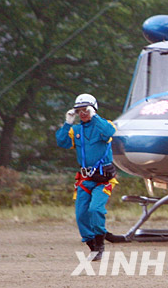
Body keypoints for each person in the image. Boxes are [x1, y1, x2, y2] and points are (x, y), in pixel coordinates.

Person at [55, 93, 118, 261]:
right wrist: (68, 122)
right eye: (79, 110)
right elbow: (62, 142)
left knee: (95, 209)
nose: (83, 113)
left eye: (86, 109)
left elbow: (110, 131)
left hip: (103, 178)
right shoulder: (76, 130)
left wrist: (94, 115)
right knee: (81, 214)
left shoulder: (103, 125)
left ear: (93, 109)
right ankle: (92, 246)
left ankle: (100, 242)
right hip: (85, 179)